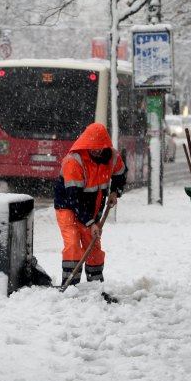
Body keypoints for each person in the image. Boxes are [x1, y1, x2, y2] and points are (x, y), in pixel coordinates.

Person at [54, 123, 127, 287]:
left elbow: (121, 173)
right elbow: (74, 198)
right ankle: (71, 286)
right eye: (93, 148)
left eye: (100, 148)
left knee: (93, 244)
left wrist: (115, 191)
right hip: (68, 205)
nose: (97, 151)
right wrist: (90, 223)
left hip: (93, 207)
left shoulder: (112, 157)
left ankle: (95, 286)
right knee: (73, 243)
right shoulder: (74, 161)